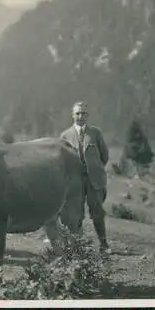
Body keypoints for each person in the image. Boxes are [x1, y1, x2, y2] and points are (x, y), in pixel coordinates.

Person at [60, 101, 111, 254]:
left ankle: (104, 244)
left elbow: (104, 155)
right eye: (77, 113)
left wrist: (95, 169)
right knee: (76, 213)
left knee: (97, 212)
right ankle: (77, 246)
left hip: (94, 180)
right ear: (72, 115)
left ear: (87, 115)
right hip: (75, 181)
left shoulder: (95, 133)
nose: (80, 116)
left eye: (83, 113)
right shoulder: (65, 135)